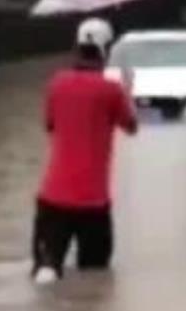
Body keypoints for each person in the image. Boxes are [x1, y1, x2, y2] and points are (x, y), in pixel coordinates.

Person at [32, 18, 138, 284]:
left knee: (45, 275)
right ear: (106, 51)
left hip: (53, 199)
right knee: (95, 281)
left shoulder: (56, 83)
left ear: (76, 48)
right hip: (94, 203)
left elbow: (50, 125)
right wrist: (128, 90)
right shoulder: (112, 91)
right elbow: (132, 126)